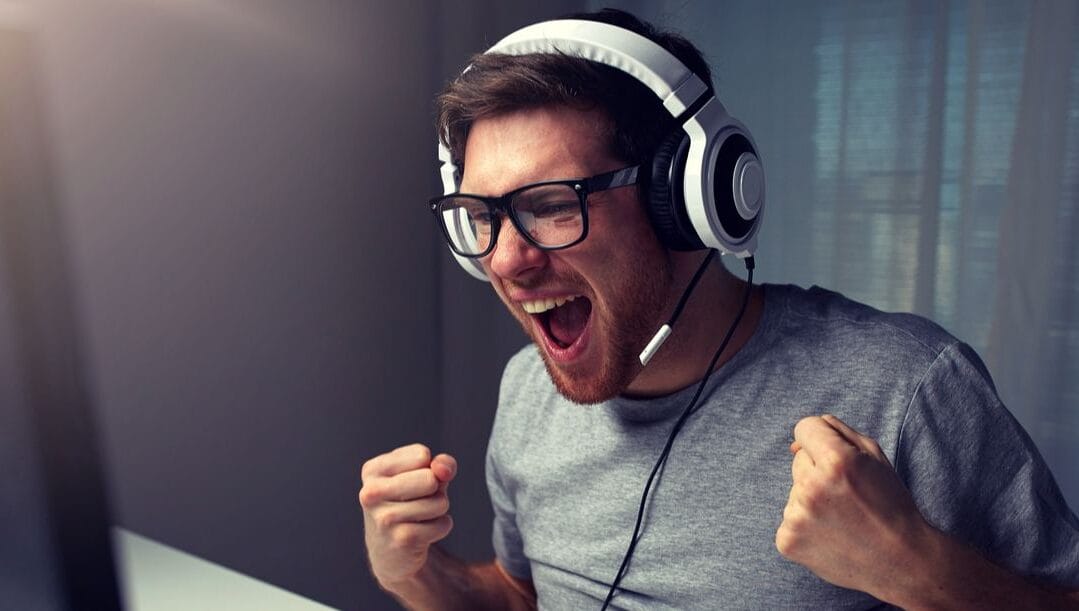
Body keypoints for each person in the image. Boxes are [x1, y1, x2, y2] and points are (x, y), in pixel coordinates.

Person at [358, 8, 1079, 610]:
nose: (506, 260)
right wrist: (418, 573)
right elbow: (525, 595)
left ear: (690, 200)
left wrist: (916, 567)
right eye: (479, 215)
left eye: (550, 206)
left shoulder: (904, 385)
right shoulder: (527, 389)